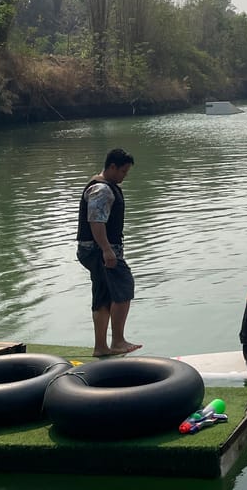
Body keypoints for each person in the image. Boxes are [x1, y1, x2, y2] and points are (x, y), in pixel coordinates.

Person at [76, 147, 142, 357]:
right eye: (123, 171)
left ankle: (101, 347)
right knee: (124, 288)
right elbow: (96, 221)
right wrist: (106, 250)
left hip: (94, 251)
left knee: (103, 296)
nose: (124, 176)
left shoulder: (102, 185)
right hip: (99, 251)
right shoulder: (102, 190)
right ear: (112, 167)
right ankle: (118, 341)